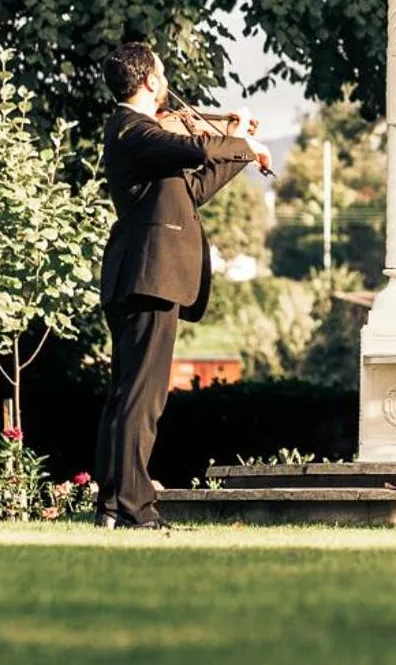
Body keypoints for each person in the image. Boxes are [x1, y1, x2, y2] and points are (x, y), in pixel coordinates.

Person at [93, 42, 268, 530]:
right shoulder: (134, 130)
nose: (167, 82)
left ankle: (112, 506)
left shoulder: (143, 139)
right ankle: (134, 508)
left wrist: (239, 150)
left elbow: (192, 191)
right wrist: (240, 142)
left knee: (129, 395)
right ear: (149, 81)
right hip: (148, 275)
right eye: (163, 73)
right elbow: (195, 148)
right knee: (141, 398)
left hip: (145, 275)